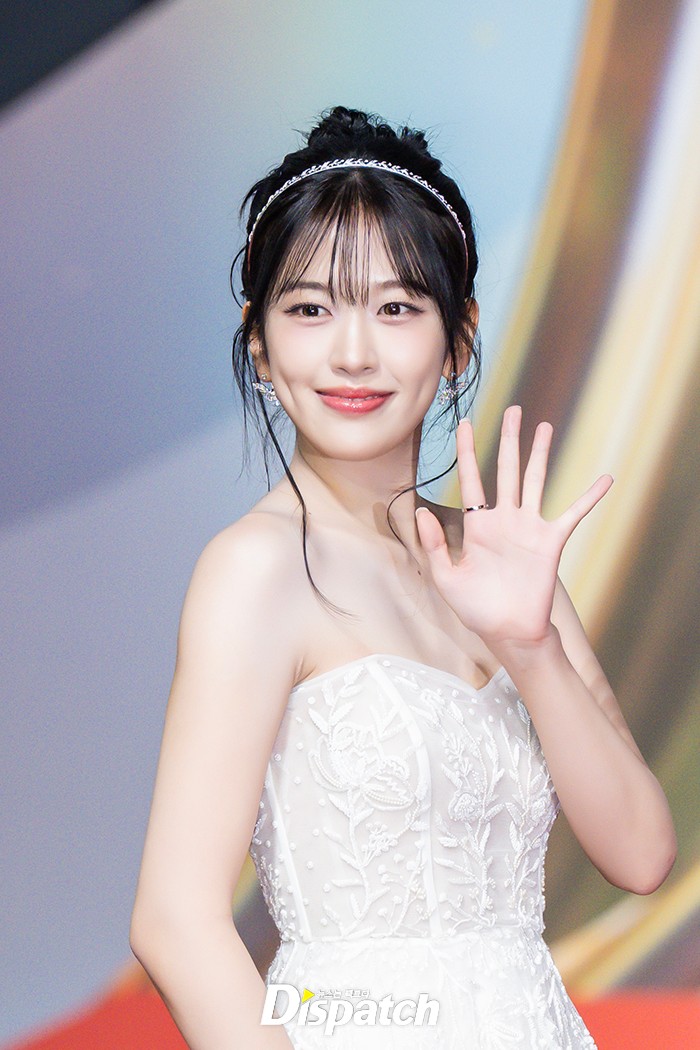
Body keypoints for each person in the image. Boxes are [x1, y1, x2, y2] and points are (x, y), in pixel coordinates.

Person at [129, 106, 676, 1048]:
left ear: (458, 338)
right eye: (310, 309)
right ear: (259, 344)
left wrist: (532, 649)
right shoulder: (255, 570)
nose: (353, 353)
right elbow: (175, 922)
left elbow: (641, 854)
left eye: (396, 308)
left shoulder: (496, 562)